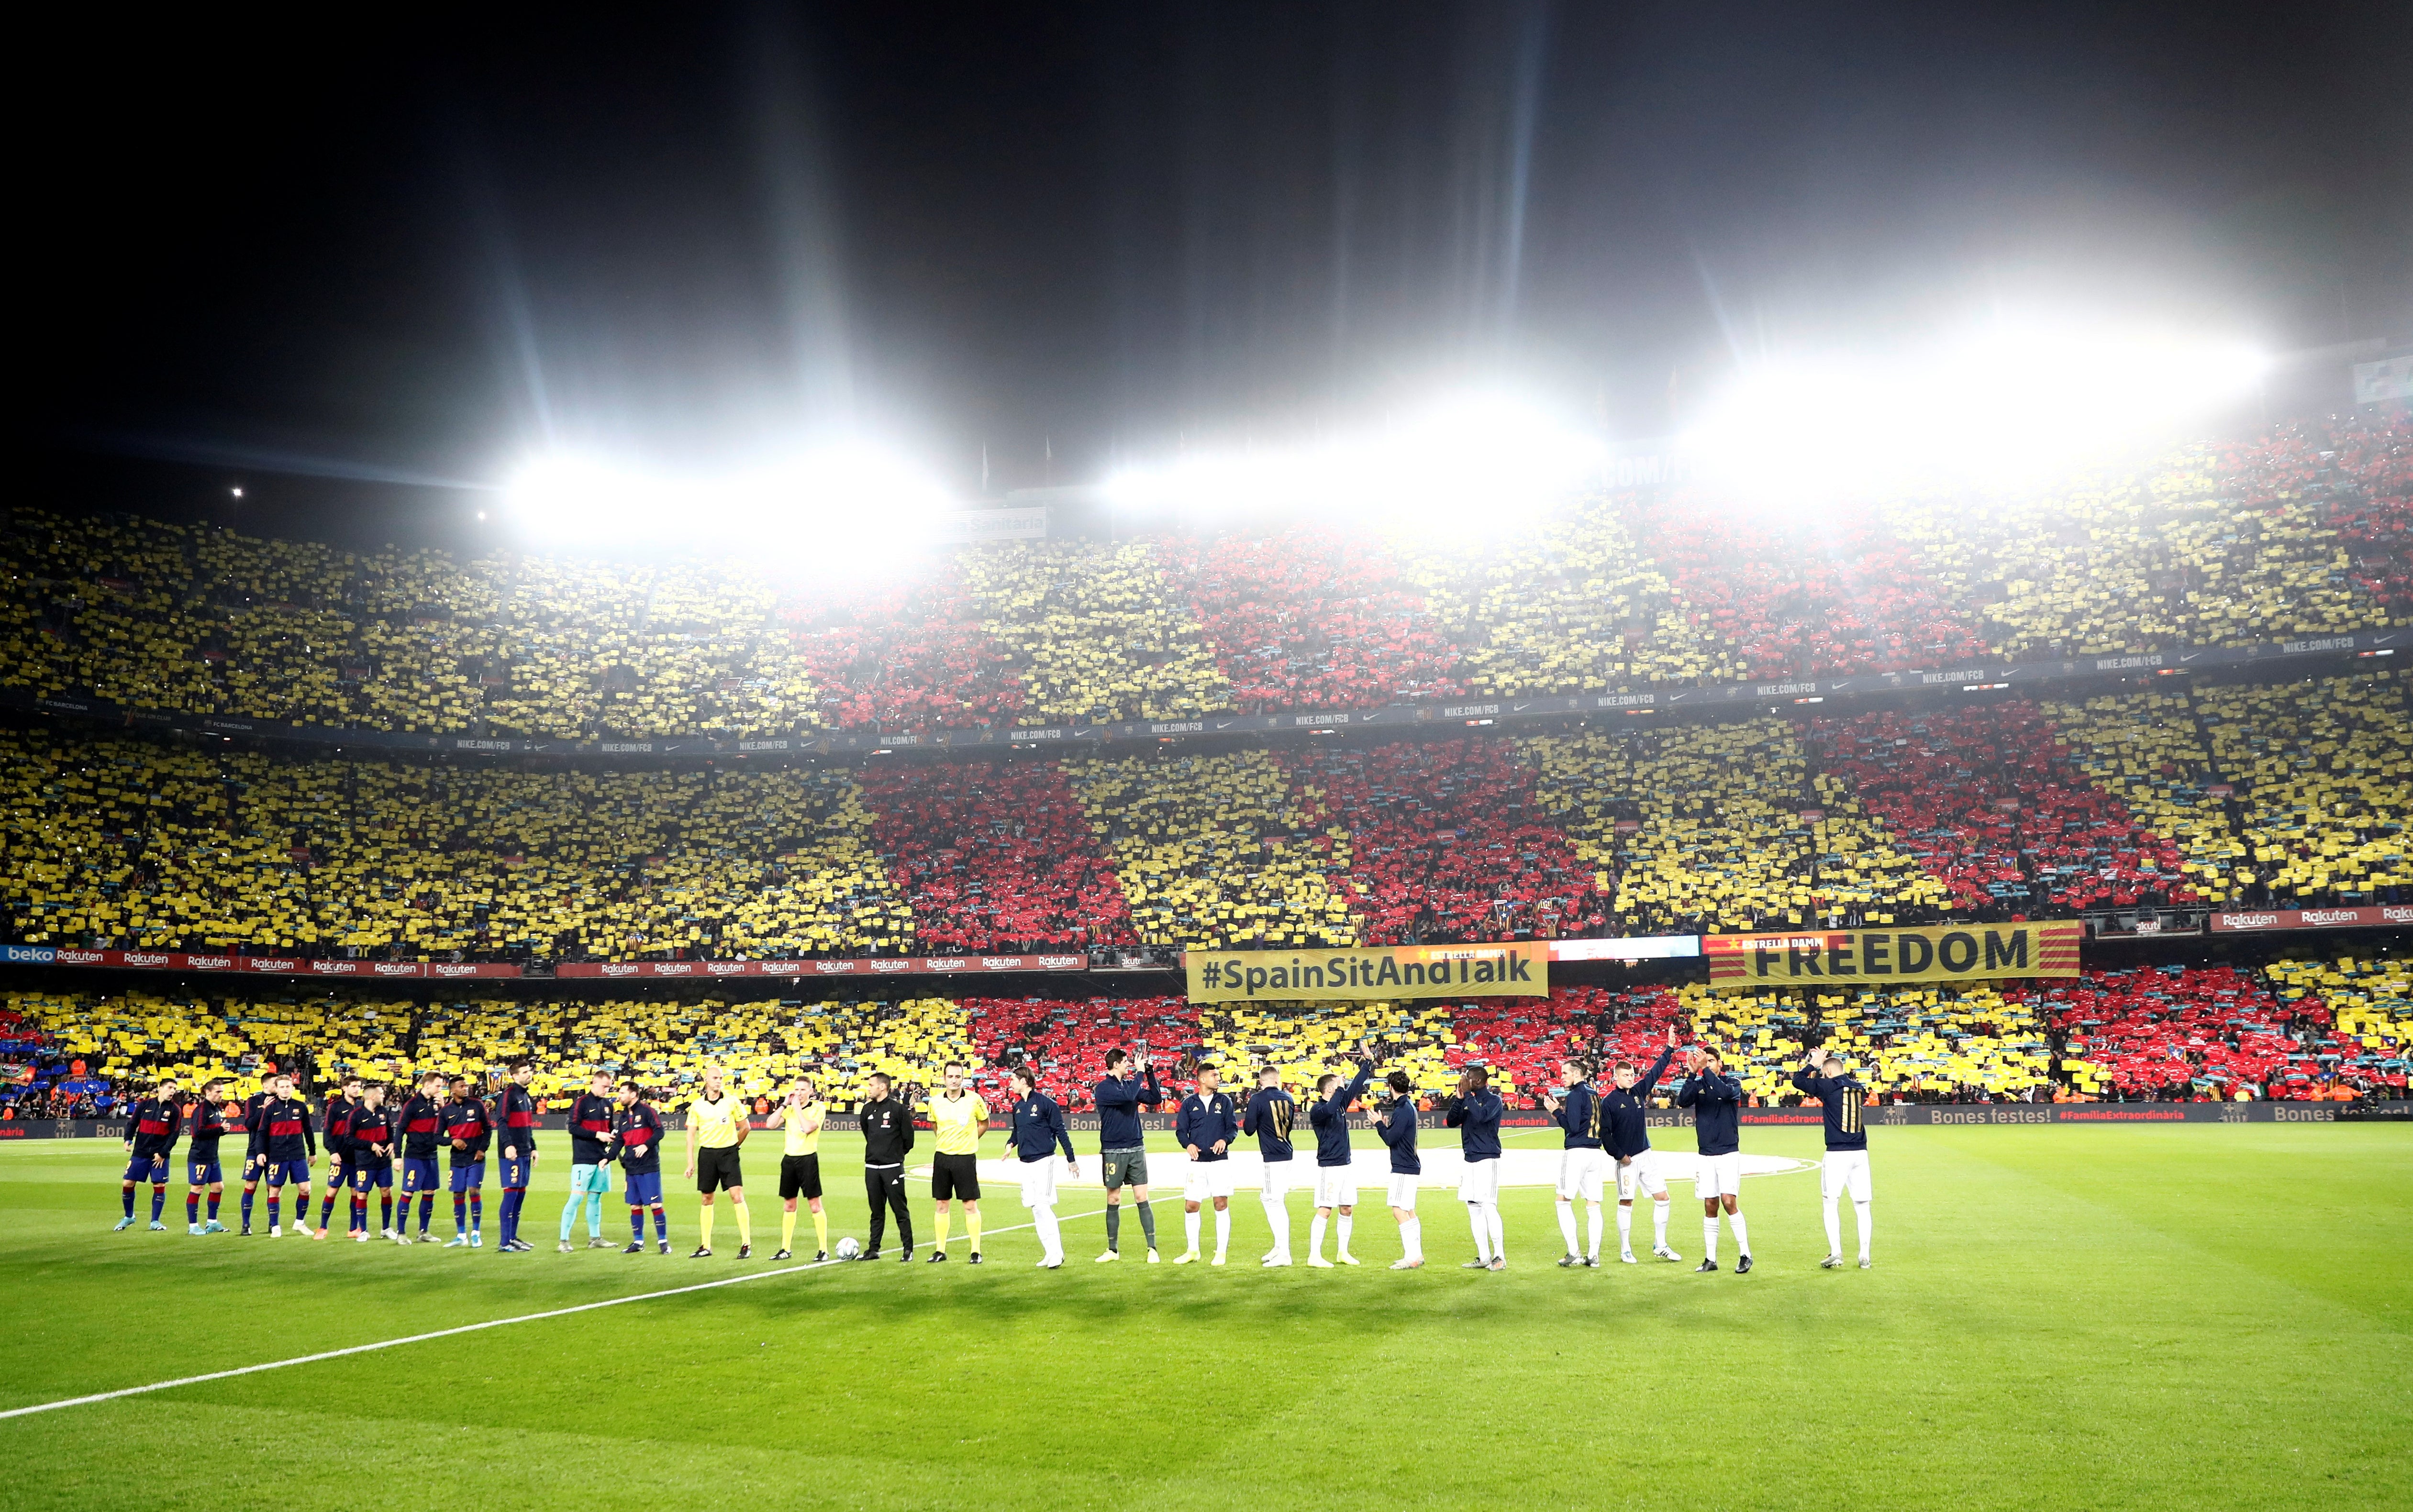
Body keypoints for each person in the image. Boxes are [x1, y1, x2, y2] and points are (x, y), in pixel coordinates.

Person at [1603, 1028, 1683, 1264]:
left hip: (1646, 1155)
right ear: (1616, 1077)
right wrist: (1619, 1154)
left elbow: (1655, 1073)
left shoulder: (1638, 1092)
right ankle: (1625, 1249)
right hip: (1626, 1161)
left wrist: (1669, 1050)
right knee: (1626, 1202)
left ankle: (1660, 1245)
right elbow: (1605, 1134)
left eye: (1632, 1074)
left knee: (1663, 1198)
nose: (1631, 1078)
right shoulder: (1609, 1102)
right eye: (1626, 1075)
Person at [1792, 1049, 1873, 1269]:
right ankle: (1864, 1256)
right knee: (1862, 1205)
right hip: (1860, 1152)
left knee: (1830, 1202)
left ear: (1827, 1071)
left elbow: (1798, 1081)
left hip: (1837, 1152)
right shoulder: (1858, 1087)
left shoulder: (1829, 1086)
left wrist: (1813, 1064)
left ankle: (1836, 1252)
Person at [1676, 1047, 1750, 1274]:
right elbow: (1682, 1101)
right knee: (1710, 1205)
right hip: (1705, 1154)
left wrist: (1704, 1071)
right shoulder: (1698, 1085)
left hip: (1728, 1152)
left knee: (1729, 1201)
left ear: (1719, 1063)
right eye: (1703, 1062)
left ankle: (1745, 1254)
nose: (1706, 1065)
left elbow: (1725, 1094)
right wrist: (1692, 1074)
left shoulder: (1733, 1082)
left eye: (1710, 1061)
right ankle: (1711, 1259)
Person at [1092, 1048, 1163, 1263]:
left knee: (1142, 1197)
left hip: (1135, 1147)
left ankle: (1152, 1249)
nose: (1128, 1066)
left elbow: (1155, 1097)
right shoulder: (1104, 1088)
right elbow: (1129, 1096)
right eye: (1125, 1062)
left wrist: (1149, 1072)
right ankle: (1113, 1250)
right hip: (1113, 1150)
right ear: (1115, 1065)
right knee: (1114, 1198)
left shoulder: (1127, 1085)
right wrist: (1140, 1073)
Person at [1008, 1067, 1078, 1269]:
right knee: (1035, 1208)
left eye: (1013, 1080)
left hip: (1044, 1161)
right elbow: (1017, 1132)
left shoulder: (1047, 1104)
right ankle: (1049, 1252)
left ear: (1024, 1081)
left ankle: (1058, 1253)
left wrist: (1071, 1160)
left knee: (1043, 1205)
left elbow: (1061, 1132)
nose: (1011, 1083)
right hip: (1025, 1163)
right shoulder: (1018, 1107)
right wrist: (1010, 1144)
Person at [1542, 1059, 1608, 1268]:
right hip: (1595, 1153)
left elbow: (1570, 1126)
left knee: (1563, 1200)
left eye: (1565, 1073)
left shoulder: (1575, 1095)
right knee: (1593, 1204)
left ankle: (1574, 1253)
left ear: (1577, 1074)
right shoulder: (1595, 1093)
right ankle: (1594, 1255)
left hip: (1577, 1152)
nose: (1562, 1077)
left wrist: (1556, 1112)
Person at [683, 1063, 753, 1259]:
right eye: (715, 1078)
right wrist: (690, 1163)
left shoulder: (732, 1102)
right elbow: (690, 1136)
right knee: (707, 1198)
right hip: (707, 1155)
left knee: (737, 1195)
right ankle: (706, 1245)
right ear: (706, 1081)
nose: (719, 1081)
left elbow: (746, 1127)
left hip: (728, 1153)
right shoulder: (697, 1105)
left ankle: (746, 1244)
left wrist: (734, 1147)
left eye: (721, 1078)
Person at [1307, 1060, 1371, 1267]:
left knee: (1347, 1208)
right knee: (1326, 1209)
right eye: (1338, 1083)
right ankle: (1314, 1255)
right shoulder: (1318, 1109)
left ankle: (1343, 1252)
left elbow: (1354, 1088)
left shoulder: (1339, 1105)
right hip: (1330, 1165)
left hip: (1345, 1164)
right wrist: (1340, 1091)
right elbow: (1332, 1106)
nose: (1342, 1085)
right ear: (1331, 1089)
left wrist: (1367, 1065)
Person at [1173, 1063, 1239, 1265]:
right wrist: (1188, 1144)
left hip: (1219, 1162)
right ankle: (1193, 1251)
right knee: (1191, 1206)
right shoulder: (1189, 1103)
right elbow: (1181, 1131)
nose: (1218, 1079)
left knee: (1221, 1204)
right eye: (1214, 1076)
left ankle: (1221, 1253)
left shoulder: (1225, 1101)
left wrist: (1224, 1140)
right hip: (1197, 1163)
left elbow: (1233, 1129)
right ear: (1202, 1080)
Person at [925, 1062, 988, 1264]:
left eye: (958, 1077)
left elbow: (984, 1123)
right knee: (941, 1204)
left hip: (965, 1158)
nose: (954, 1080)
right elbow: (934, 1125)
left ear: (963, 1078)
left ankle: (976, 1252)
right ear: (944, 1078)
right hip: (942, 1158)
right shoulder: (935, 1102)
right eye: (950, 1076)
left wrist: (971, 1140)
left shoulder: (974, 1100)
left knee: (970, 1205)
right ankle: (940, 1251)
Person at [1444, 1067, 1505, 1271]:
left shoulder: (1494, 1101)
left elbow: (1480, 1116)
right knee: (1474, 1208)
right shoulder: (1468, 1099)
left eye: (1467, 1079)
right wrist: (1460, 1100)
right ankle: (1484, 1256)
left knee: (1488, 1206)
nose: (1463, 1081)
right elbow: (1452, 1122)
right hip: (1469, 1159)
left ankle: (1500, 1256)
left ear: (1478, 1081)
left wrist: (1468, 1096)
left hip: (1487, 1159)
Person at [603, 1079, 670, 1254]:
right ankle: (638, 1242)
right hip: (631, 1168)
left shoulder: (647, 1111)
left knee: (655, 1204)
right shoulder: (624, 1117)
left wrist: (646, 1145)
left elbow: (660, 1131)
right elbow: (619, 1142)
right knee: (635, 1206)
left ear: (633, 1094)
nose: (620, 1096)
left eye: (623, 1093)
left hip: (649, 1166)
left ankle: (663, 1242)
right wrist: (607, 1158)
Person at [767, 1077, 829, 1261]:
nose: (799, 1094)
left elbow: (808, 1127)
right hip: (789, 1160)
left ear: (811, 1091)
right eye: (797, 1090)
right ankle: (785, 1248)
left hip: (808, 1159)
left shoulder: (818, 1108)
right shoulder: (790, 1109)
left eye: (803, 1090)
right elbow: (770, 1124)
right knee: (789, 1205)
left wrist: (798, 1109)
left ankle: (823, 1250)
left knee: (815, 1205)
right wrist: (785, 1104)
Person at [1243, 1066, 1299, 1266]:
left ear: (1261, 1081)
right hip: (1286, 1151)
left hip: (1272, 1155)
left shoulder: (1257, 1099)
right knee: (1268, 1198)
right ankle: (1279, 1246)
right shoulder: (1289, 1098)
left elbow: (1249, 1129)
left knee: (1274, 1201)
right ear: (1276, 1080)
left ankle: (1285, 1253)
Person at [857, 1072, 914, 1261]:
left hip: (893, 1167)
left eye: (872, 1085)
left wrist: (895, 1155)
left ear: (883, 1087)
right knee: (876, 1211)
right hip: (872, 1167)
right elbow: (868, 1134)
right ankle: (873, 1249)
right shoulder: (866, 1110)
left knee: (900, 1210)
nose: (869, 1088)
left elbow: (909, 1139)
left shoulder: (898, 1110)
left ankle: (908, 1249)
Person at [254, 1072, 317, 1239]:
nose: (285, 1090)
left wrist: (313, 1152)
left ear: (293, 1088)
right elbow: (261, 1133)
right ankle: (275, 1226)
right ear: (276, 1089)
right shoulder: (270, 1109)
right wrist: (260, 1153)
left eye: (288, 1087)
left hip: (298, 1155)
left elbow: (309, 1131)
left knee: (305, 1190)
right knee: (275, 1191)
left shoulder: (301, 1107)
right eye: (281, 1087)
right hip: (277, 1156)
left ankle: (299, 1222)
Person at [559, 1070, 617, 1252]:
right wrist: (597, 1135)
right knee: (576, 1198)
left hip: (601, 1159)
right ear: (594, 1083)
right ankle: (564, 1241)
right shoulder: (581, 1103)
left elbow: (609, 1129)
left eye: (609, 1087)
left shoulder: (609, 1105)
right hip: (583, 1159)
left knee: (595, 1198)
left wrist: (611, 1137)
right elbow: (573, 1128)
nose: (607, 1090)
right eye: (604, 1086)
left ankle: (595, 1238)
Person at [1372, 1070, 1423, 1270]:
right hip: (1409, 1165)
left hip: (1403, 1167)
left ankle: (1411, 1257)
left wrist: (1378, 1124)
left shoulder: (1403, 1109)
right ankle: (1416, 1254)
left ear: (1391, 1088)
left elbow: (1390, 1139)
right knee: (1409, 1210)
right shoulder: (1407, 1107)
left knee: (1399, 1211)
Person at [116, 1079, 180, 1232]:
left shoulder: (175, 1110)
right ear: (160, 1088)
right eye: (170, 1088)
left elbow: (174, 1134)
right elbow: (133, 1123)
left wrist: (163, 1154)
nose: (173, 1091)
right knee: (127, 1184)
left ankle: (155, 1221)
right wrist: (128, 1139)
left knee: (159, 1185)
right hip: (140, 1152)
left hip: (160, 1155)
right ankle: (129, 1216)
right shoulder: (145, 1105)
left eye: (175, 1089)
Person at [441, 1075, 493, 1249]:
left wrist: (482, 1149)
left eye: (466, 1086)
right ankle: (461, 1235)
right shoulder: (446, 1111)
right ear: (453, 1090)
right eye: (462, 1086)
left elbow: (488, 1129)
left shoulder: (477, 1105)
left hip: (475, 1158)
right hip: (457, 1159)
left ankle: (476, 1234)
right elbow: (436, 1137)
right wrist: (452, 1141)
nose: (466, 1088)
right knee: (458, 1194)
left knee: (474, 1190)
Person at [394, 1071, 447, 1245]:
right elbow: (400, 1130)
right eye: (438, 1086)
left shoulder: (437, 1104)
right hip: (414, 1156)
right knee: (408, 1193)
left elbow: (444, 1128)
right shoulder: (412, 1105)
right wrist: (397, 1156)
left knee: (429, 1193)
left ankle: (423, 1232)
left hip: (431, 1155)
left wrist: (444, 1108)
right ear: (427, 1085)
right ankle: (401, 1233)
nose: (441, 1089)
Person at [493, 1060, 541, 1253]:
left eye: (529, 1071)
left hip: (524, 1152)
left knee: (520, 1195)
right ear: (515, 1076)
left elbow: (528, 1125)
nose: (529, 1074)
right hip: (511, 1154)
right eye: (524, 1072)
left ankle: (513, 1238)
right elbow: (501, 1121)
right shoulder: (508, 1095)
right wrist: (508, 1145)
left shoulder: (526, 1095)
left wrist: (534, 1148)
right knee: (511, 1194)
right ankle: (505, 1242)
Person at [183, 1079, 238, 1234]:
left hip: (213, 1156)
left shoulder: (217, 1108)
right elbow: (198, 1132)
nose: (221, 1095)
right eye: (218, 1092)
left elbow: (214, 1129)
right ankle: (193, 1226)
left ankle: (212, 1222)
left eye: (222, 1091)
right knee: (197, 1188)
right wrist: (220, 1130)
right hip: (200, 1156)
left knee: (218, 1187)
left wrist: (222, 1130)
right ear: (208, 1092)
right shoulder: (201, 1110)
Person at [311, 1076, 361, 1240]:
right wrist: (332, 1152)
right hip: (340, 1158)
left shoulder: (362, 1107)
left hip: (358, 1159)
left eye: (359, 1086)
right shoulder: (335, 1108)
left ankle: (354, 1229)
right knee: (332, 1191)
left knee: (357, 1193)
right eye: (353, 1086)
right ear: (344, 1088)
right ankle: (323, 1227)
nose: (357, 1089)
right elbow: (327, 1132)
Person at [346, 1082, 396, 1242]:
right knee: (362, 1194)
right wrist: (370, 1145)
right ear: (373, 1096)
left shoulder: (383, 1112)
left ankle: (386, 1228)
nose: (384, 1096)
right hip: (365, 1163)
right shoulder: (356, 1115)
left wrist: (391, 1143)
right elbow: (349, 1139)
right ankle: (364, 1231)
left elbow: (390, 1131)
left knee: (386, 1192)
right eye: (381, 1094)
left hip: (383, 1162)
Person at [236, 1077, 275, 1235]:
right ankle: (246, 1225)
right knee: (251, 1185)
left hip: (275, 1151)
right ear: (265, 1084)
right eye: (274, 1083)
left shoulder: (281, 1101)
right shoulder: (253, 1101)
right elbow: (249, 1124)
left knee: (273, 1188)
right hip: (254, 1150)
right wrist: (264, 1109)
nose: (277, 1085)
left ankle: (273, 1224)